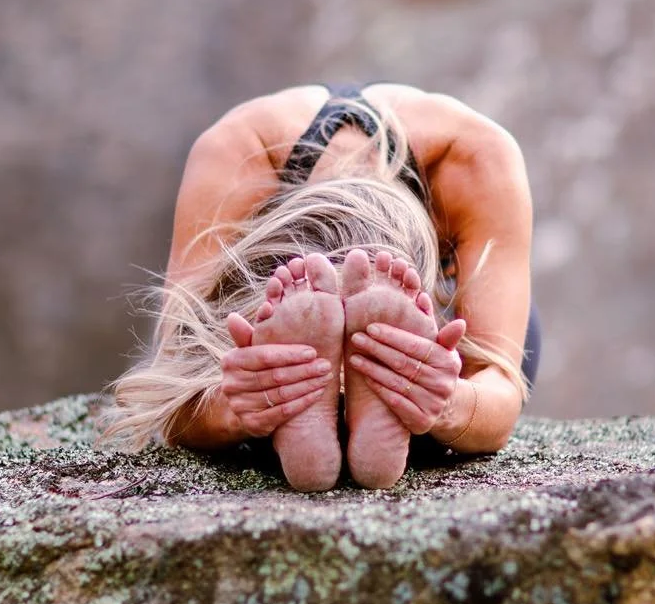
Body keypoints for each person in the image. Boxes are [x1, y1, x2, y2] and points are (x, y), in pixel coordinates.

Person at [101, 83, 540, 491]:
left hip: (440, 323)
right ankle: (336, 389)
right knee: (222, 378)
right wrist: (238, 402)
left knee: (486, 363)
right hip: (267, 310)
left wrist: (448, 397)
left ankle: (363, 390)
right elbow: (173, 377)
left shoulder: (476, 159)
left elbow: (501, 382)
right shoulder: (235, 153)